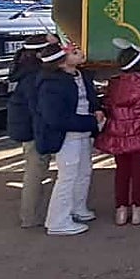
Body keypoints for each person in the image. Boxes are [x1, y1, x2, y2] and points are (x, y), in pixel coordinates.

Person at [35, 40, 102, 236]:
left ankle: (77, 208)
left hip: (83, 133)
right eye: (73, 52)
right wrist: (91, 122)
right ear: (61, 62)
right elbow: (56, 119)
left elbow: (91, 100)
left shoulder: (81, 76)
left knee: (84, 172)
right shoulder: (51, 84)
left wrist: (97, 111)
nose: (79, 52)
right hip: (66, 136)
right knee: (67, 177)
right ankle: (57, 221)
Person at [95, 42, 140, 226]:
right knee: (139, 171)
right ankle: (138, 210)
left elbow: (108, 106)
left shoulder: (114, 83)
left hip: (117, 132)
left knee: (122, 171)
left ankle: (121, 210)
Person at [7, 33, 57, 228]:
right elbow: (37, 110)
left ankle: (31, 214)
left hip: (26, 127)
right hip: (32, 129)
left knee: (34, 169)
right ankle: (30, 217)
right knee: (35, 172)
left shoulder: (25, 70)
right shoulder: (34, 76)